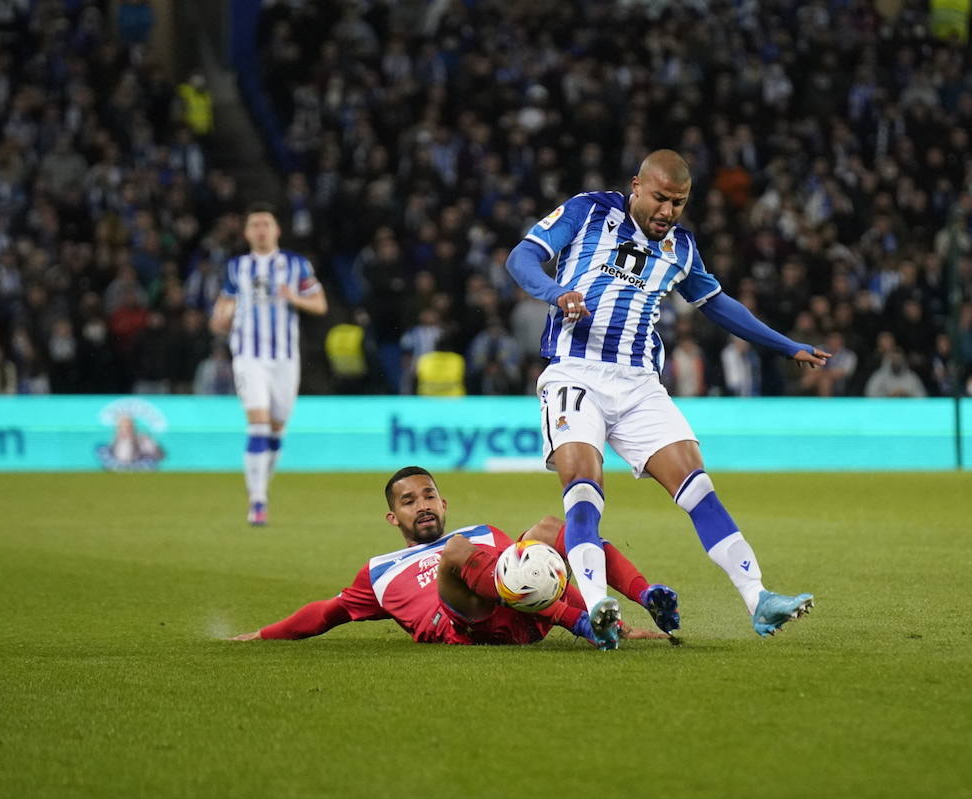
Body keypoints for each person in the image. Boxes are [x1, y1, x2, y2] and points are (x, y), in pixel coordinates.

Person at [506, 149, 826, 636]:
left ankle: (758, 598)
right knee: (584, 487)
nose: (667, 211)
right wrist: (556, 293)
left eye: (678, 203)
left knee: (698, 487)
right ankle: (597, 605)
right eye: (660, 198)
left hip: (639, 384)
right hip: (575, 373)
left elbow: (718, 305)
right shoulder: (588, 210)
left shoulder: (682, 248)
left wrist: (786, 346)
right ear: (636, 186)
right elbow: (521, 257)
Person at [229, 467, 678, 650]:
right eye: (409, 501)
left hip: (524, 613)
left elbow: (535, 576)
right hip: (468, 625)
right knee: (457, 551)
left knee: (546, 529)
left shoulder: (484, 532)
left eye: (429, 496)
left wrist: (617, 623)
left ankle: (641, 596)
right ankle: (584, 625)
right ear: (393, 517)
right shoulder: (379, 570)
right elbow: (328, 613)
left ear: (444, 504)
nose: (422, 505)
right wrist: (265, 634)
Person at [210, 204, 327, 526]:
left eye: (266, 224)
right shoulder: (237, 267)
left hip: (285, 358)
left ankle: (261, 486)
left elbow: (320, 304)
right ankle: (258, 501)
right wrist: (219, 320)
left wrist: (294, 298)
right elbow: (222, 310)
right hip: (249, 356)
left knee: (277, 429)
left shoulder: (296, 264)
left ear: (277, 230)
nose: (261, 229)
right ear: (247, 233)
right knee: (258, 424)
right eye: (255, 224)